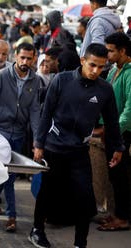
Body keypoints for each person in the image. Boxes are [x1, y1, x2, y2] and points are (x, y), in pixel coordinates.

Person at [29, 43, 124, 248]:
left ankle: (80, 243)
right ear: (82, 61)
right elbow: (46, 113)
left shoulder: (105, 89)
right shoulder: (61, 81)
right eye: (92, 65)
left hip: (80, 151)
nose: (96, 71)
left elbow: (112, 121)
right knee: (47, 191)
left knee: (84, 198)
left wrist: (118, 147)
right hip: (54, 147)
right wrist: (39, 143)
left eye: (101, 67)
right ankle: (37, 230)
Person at [0, 43, 41, 233]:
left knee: (10, 174)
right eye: (22, 57)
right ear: (15, 56)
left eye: (29, 58)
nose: (25, 62)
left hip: (19, 133)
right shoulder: (2, 76)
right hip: (0, 131)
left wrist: (37, 140)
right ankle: (11, 216)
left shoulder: (36, 81)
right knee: (8, 177)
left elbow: (34, 111)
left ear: (34, 59)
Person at [96, 32, 131, 232]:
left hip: (123, 132)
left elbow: (129, 109)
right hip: (111, 130)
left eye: (110, 51)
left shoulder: (129, 72)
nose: (107, 54)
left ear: (122, 51)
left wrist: (115, 130)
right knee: (114, 176)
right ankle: (117, 213)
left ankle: (123, 218)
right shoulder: (112, 71)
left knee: (120, 176)